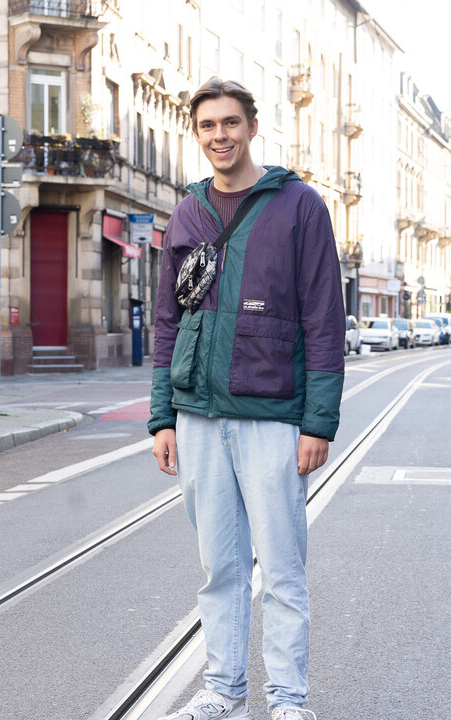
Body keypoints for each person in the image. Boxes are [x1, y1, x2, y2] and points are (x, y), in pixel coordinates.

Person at [149, 77, 345, 720]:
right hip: (199, 416)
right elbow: (167, 320)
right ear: (197, 133)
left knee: (282, 571)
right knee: (220, 571)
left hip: (271, 416)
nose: (219, 137)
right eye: (207, 127)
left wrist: (317, 421)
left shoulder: (299, 206)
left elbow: (323, 319)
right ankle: (223, 691)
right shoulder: (188, 213)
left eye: (230, 123)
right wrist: (162, 416)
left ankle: (288, 700)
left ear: (253, 127)